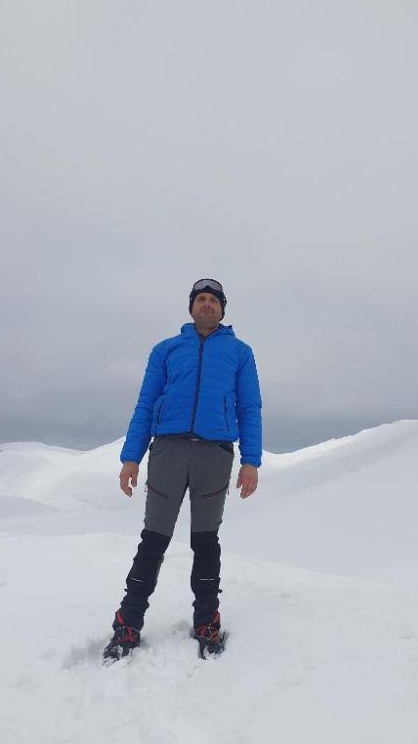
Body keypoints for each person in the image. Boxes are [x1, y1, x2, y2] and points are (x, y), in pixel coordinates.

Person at [104, 278, 262, 662]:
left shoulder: (240, 353)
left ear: (223, 309)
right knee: (153, 540)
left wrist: (251, 461)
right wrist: (131, 458)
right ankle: (128, 623)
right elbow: (145, 405)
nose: (207, 305)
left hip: (215, 454)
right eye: (201, 299)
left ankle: (206, 621)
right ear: (191, 307)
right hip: (168, 451)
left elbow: (250, 408)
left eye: (213, 300)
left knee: (206, 541)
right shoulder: (166, 350)